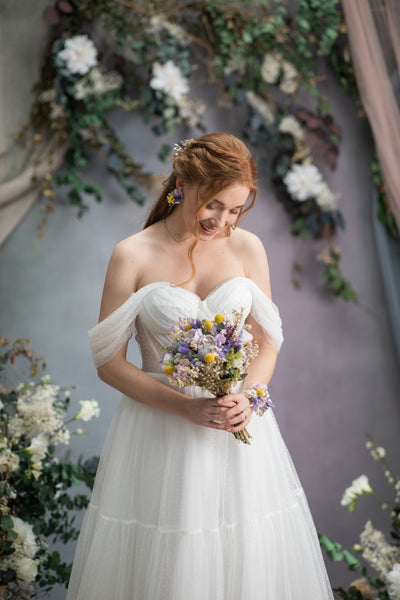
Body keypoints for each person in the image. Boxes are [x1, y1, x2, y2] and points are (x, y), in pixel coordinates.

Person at [66, 132, 333, 599]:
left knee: (245, 560)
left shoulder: (247, 247)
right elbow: (108, 363)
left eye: (236, 210)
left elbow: (268, 341)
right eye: (214, 206)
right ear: (182, 183)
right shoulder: (133, 254)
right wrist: (185, 408)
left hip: (238, 431)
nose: (223, 221)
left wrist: (247, 399)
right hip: (160, 432)